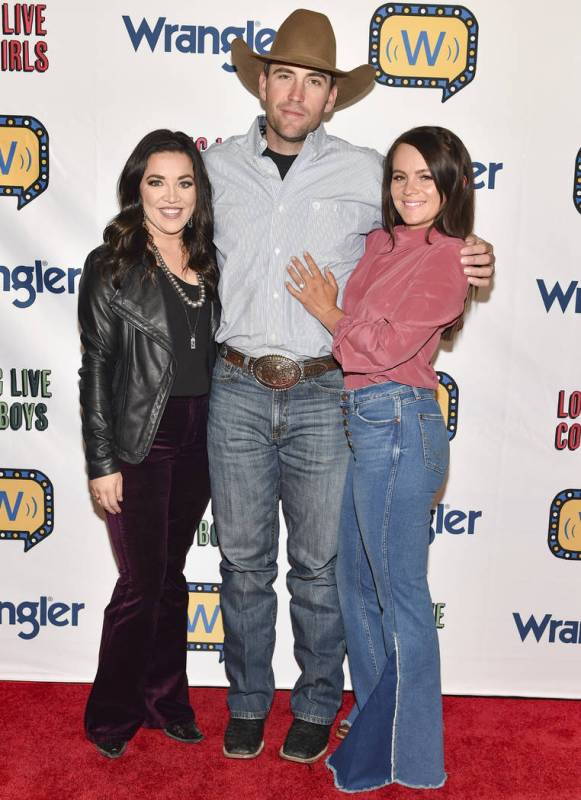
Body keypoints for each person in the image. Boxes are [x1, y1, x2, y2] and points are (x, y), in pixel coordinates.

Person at [203, 9, 494, 764]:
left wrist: (473, 251)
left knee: (321, 566)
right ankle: (244, 701)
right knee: (240, 561)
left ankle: (317, 703)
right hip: (234, 386)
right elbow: (168, 235)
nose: (296, 94)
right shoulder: (215, 168)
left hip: (323, 392)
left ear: (332, 98)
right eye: (285, 77)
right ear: (261, 83)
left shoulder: (367, 170)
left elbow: (420, 228)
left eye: (314, 83)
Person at [286, 125, 476, 791]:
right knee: (354, 587)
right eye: (399, 176)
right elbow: (363, 343)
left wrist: (329, 313)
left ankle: (414, 756)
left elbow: (384, 347)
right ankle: (377, 722)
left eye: (426, 176)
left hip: (401, 424)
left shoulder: (453, 257)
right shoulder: (377, 243)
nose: (409, 188)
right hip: (362, 424)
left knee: (399, 594)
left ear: (451, 185)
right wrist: (339, 318)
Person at [78, 129, 218, 758]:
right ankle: (111, 712)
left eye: (184, 182)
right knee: (140, 582)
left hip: (201, 441)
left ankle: (167, 702)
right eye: (157, 181)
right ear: (137, 188)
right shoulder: (112, 267)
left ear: (198, 191)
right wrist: (103, 462)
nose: (171, 195)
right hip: (141, 443)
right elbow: (96, 369)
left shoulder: (210, 260)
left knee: (172, 575)